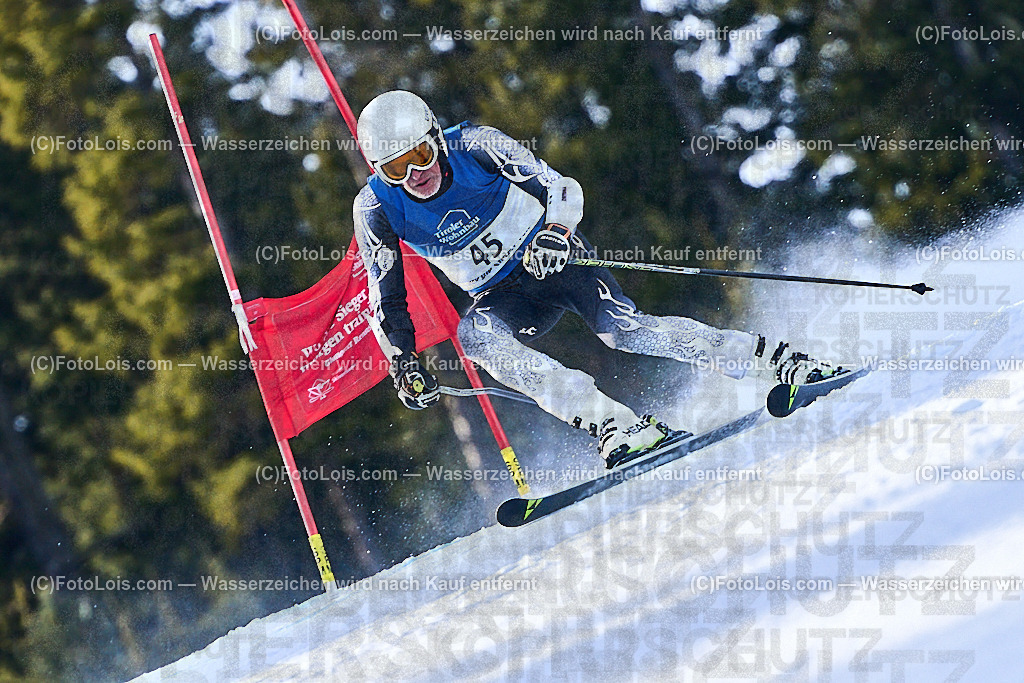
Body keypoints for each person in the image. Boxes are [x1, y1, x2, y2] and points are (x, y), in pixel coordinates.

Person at [353, 90, 840, 468]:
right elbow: (385, 298)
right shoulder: (376, 208)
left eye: (420, 154)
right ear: (378, 170)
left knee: (623, 331)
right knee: (476, 339)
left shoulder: (476, 145)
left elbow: (560, 186)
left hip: (553, 261)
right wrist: (403, 361)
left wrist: (555, 233)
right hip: (502, 296)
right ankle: (616, 425)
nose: (414, 174)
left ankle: (778, 361)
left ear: (436, 138)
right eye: (395, 168)